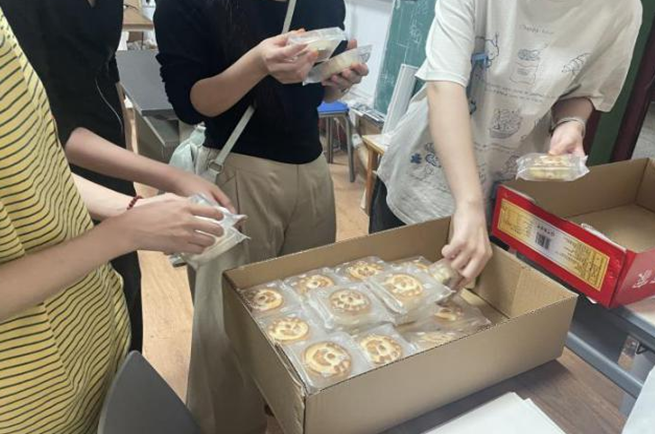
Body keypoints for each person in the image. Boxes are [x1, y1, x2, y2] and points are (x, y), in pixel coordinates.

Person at [0, 8, 225, 433]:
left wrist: (133, 210)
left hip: (88, 335)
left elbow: (36, 163)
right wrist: (124, 231)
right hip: (29, 396)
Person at [154, 0, 369, 432]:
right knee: (227, 329)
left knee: (309, 312)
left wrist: (337, 83)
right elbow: (192, 103)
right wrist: (257, 63)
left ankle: (284, 414)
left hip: (312, 169)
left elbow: (312, 90)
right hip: (237, 169)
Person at [372, 0, 642, 282]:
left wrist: (570, 123)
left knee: (467, 300)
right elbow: (444, 86)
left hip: (505, 192)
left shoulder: (622, 9)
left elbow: (584, 91)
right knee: (386, 291)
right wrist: (469, 204)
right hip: (423, 178)